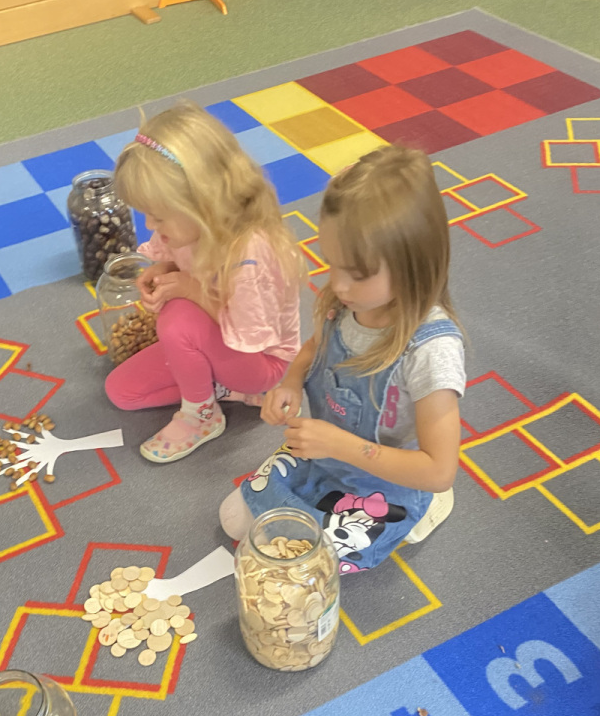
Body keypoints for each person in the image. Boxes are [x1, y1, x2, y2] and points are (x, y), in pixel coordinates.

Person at [219, 144, 465, 574]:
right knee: (235, 518)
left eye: (357, 273)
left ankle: (426, 508)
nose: (338, 285)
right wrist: (291, 381)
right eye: (331, 263)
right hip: (326, 455)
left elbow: (439, 469)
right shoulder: (347, 303)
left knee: (313, 562)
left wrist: (343, 446)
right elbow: (316, 347)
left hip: (390, 480)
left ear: (413, 264)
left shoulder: (431, 350)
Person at [105, 102, 301, 463]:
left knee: (177, 318)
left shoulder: (250, 254)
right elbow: (178, 261)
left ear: (203, 204)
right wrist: (164, 267)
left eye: (158, 216)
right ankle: (216, 386)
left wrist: (188, 289)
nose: (149, 225)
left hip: (260, 360)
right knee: (122, 391)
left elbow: (249, 334)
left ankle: (202, 416)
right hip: (216, 339)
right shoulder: (191, 226)